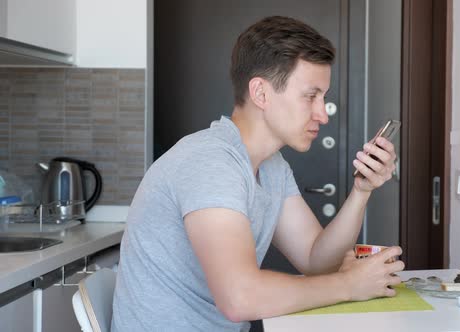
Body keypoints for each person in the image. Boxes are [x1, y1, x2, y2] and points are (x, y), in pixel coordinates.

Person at [111, 15, 404, 332]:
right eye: (311, 96)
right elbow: (240, 298)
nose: (322, 113)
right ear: (261, 93)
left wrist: (361, 191)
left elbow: (316, 260)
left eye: (324, 97)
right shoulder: (210, 162)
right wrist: (349, 285)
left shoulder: (272, 166)